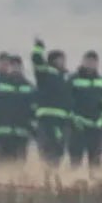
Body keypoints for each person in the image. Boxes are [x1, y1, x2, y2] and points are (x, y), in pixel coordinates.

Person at [0, 52, 37, 164]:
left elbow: (34, 111)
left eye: (18, 66)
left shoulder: (29, 87)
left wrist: (35, 129)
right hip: (1, 134)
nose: (15, 69)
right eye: (13, 66)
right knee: (2, 166)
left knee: (19, 167)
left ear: (22, 68)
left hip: (21, 135)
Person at [30, 38, 71, 167]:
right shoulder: (46, 72)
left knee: (58, 149)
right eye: (61, 59)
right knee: (46, 148)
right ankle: (46, 172)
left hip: (61, 120)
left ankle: (53, 172)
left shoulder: (64, 77)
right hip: (46, 118)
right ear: (54, 60)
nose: (64, 62)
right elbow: (37, 60)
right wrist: (38, 48)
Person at [67, 50, 102, 168]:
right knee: (75, 158)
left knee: (96, 159)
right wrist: (74, 118)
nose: (91, 64)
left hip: (96, 126)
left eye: (93, 62)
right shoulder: (73, 79)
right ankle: (73, 178)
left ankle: (95, 179)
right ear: (83, 62)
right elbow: (67, 101)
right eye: (88, 61)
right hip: (78, 125)